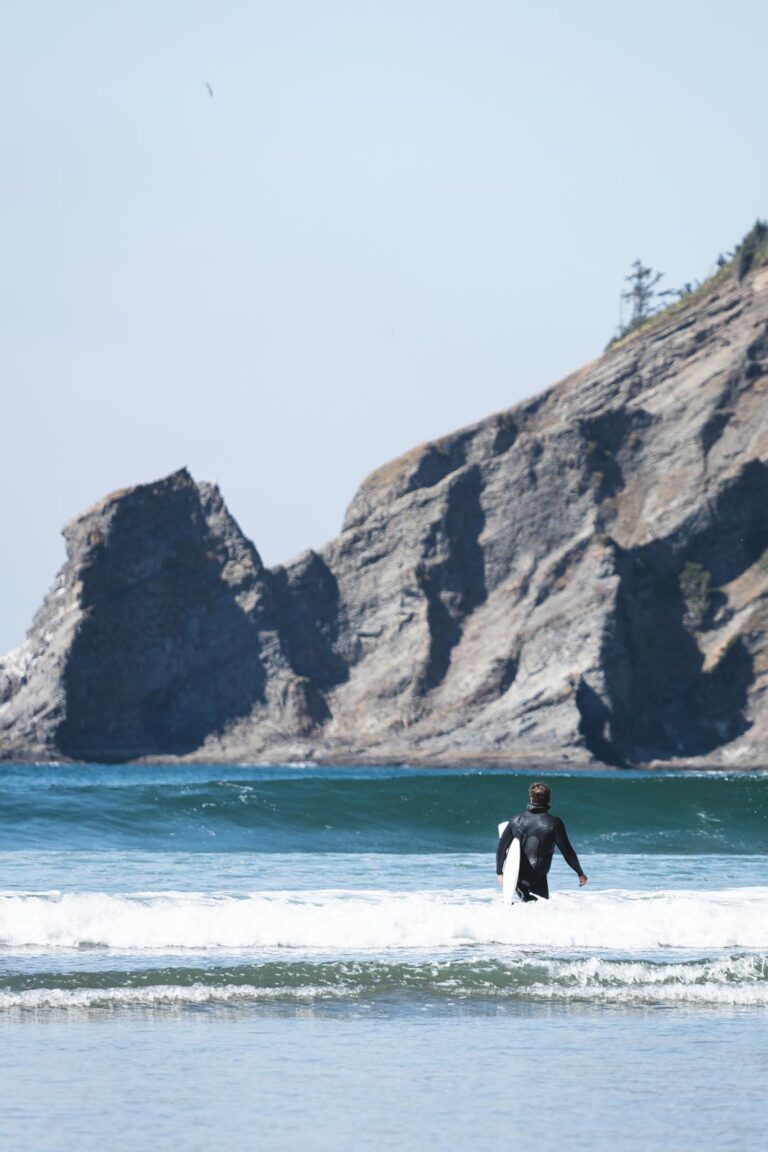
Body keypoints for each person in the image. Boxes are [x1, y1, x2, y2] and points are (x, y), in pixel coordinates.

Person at [496, 781, 588, 901]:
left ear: (530, 798)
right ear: (549, 799)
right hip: (539, 877)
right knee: (540, 911)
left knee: (530, 910)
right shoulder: (554, 823)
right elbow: (568, 852)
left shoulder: (515, 820)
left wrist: (500, 873)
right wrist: (580, 873)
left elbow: (501, 848)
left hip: (518, 878)